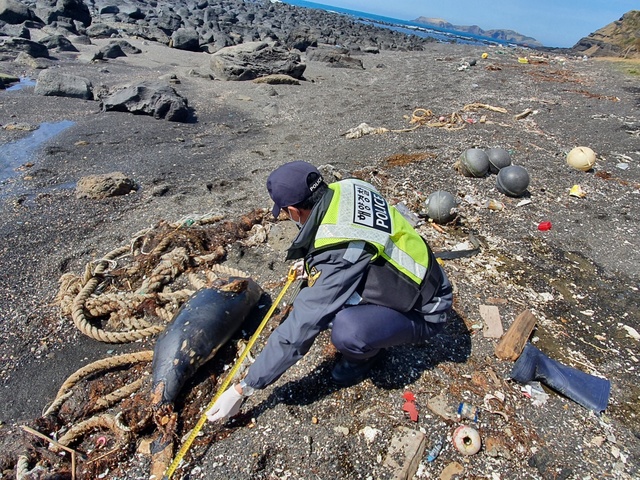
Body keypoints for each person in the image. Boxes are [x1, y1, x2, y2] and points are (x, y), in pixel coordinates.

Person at [206, 161, 453, 422]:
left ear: (293, 210)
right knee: (325, 298)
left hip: (428, 310)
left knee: (347, 329)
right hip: (424, 274)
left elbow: (299, 330)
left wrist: (243, 388)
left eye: (286, 213)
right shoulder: (348, 187)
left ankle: (363, 359)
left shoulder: (342, 250)